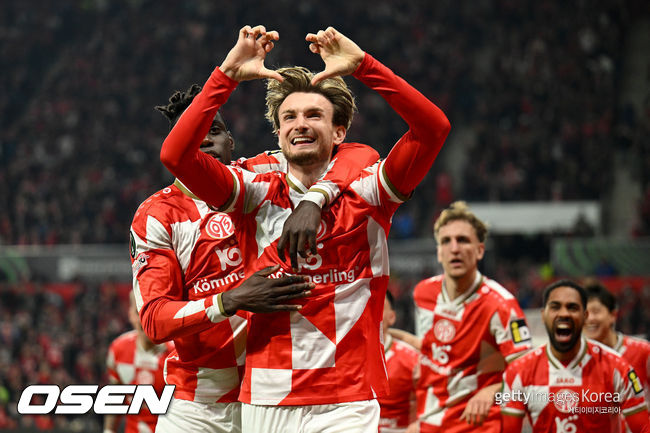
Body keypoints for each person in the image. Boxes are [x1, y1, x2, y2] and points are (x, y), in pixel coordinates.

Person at [159, 24, 450, 433]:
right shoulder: (251, 193)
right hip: (267, 395)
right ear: (278, 134)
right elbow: (176, 156)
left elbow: (433, 129)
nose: (301, 124)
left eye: (315, 115)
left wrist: (365, 67)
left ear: (339, 132)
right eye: (289, 117)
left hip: (348, 397)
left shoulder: (371, 191)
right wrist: (226, 76)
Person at [132, 84, 376, 433]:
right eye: (193, 134)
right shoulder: (158, 215)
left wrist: (316, 196)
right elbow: (155, 320)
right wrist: (229, 300)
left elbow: (358, 152)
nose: (205, 140)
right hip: (197, 405)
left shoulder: (262, 172)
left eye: (215, 130)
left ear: (231, 140)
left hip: (271, 396)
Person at [390, 201, 531, 432]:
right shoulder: (423, 293)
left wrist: (493, 391)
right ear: (439, 252)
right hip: (430, 422)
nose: (454, 248)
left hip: (477, 425)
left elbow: (529, 371)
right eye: (446, 241)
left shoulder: (502, 305)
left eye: (463, 240)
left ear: (480, 250)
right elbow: (435, 351)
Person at [501, 279, 650, 432]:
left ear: (585, 316)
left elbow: (643, 428)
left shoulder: (617, 367)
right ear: (543, 315)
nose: (564, 313)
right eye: (555, 307)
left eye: (572, 307)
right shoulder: (519, 371)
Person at [584, 281, 650, 430]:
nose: (590, 319)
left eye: (596, 311)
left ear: (613, 315)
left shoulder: (643, 351)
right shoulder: (579, 360)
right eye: (585, 313)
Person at [104, 293, 174, 433]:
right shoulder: (118, 349)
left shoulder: (176, 354)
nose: (144, 320)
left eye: (150, 314)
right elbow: (115, 398)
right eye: (139, 313)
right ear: (130, 314)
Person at [378, 291, 419, 433]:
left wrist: (418, 424)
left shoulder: (412, 359)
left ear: (392, 317)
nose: (371, 313)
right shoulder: (343, 359)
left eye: (377, 307)